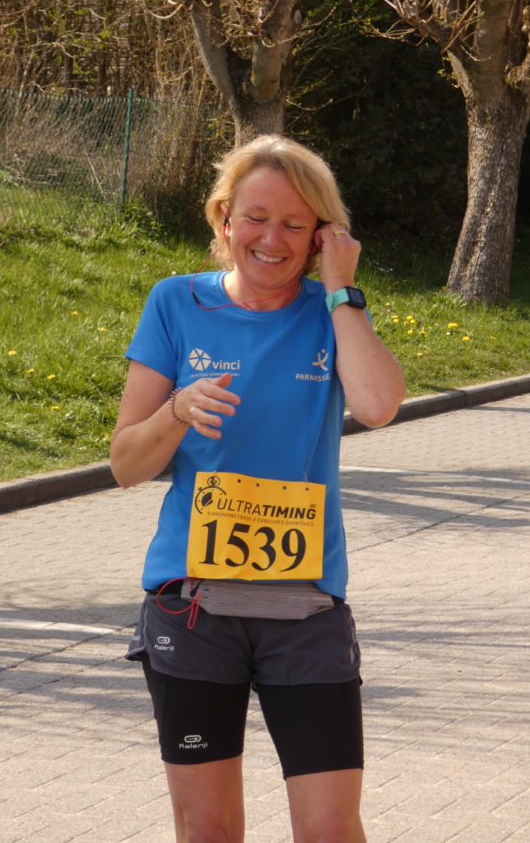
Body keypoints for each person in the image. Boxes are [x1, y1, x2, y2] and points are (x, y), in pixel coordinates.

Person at [111, 134, 405, 843]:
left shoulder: (331, 311)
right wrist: (177, 411)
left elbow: (376, 405)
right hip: (193, 608)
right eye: (256, 217)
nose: (272, 240)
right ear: (224, 219)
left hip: (306, 608)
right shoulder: (175, 303)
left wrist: (341, 289)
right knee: (208, 830)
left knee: (330, 829)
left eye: (295, 224)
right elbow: (125, 463)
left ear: (320, 237)